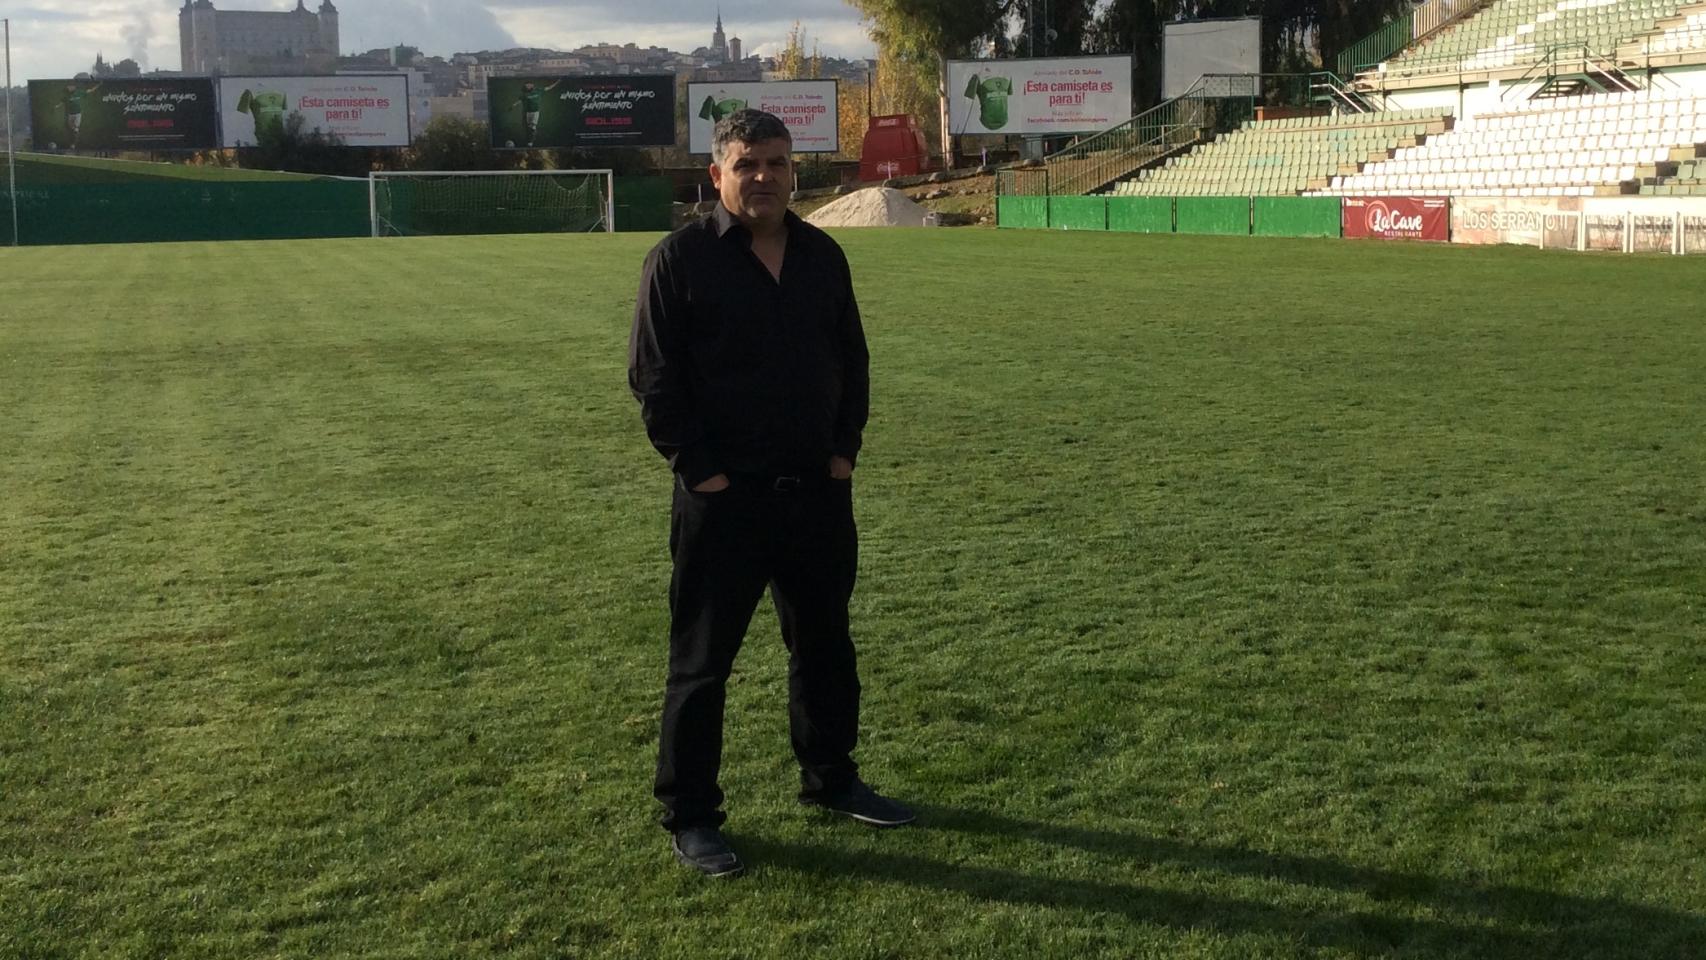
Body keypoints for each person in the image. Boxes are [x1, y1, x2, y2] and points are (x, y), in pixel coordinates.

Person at [629, 109, 915, 879]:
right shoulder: (680, 260)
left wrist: (844, 453)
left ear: (796, 173)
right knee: (702, 665)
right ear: (717, 173)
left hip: (816, 496)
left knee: (824, 645)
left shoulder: (823, 255)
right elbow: (654, 379)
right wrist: (701, 471)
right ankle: (691, 814)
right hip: (723, 503)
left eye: (778, 163)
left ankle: (831, 778)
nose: (764, 177)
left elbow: (851, 361)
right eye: (748, 163)